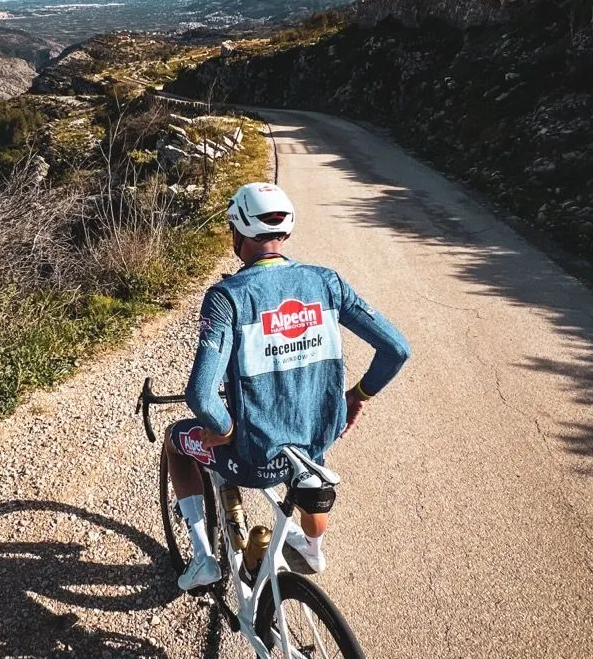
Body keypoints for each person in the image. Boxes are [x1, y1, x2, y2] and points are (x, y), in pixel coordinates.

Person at [166, 179, 410, 591]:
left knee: (175, 442)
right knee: (313, 474)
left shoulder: (227, 297)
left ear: (238, 233)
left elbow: (201, 395)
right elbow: (397, 349)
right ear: (286, 231)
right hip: (314, 443)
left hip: (252, 459)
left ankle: (203, 557)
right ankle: (313, 551)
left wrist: (225, 429)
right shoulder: (328, 282)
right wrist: (358, 396)